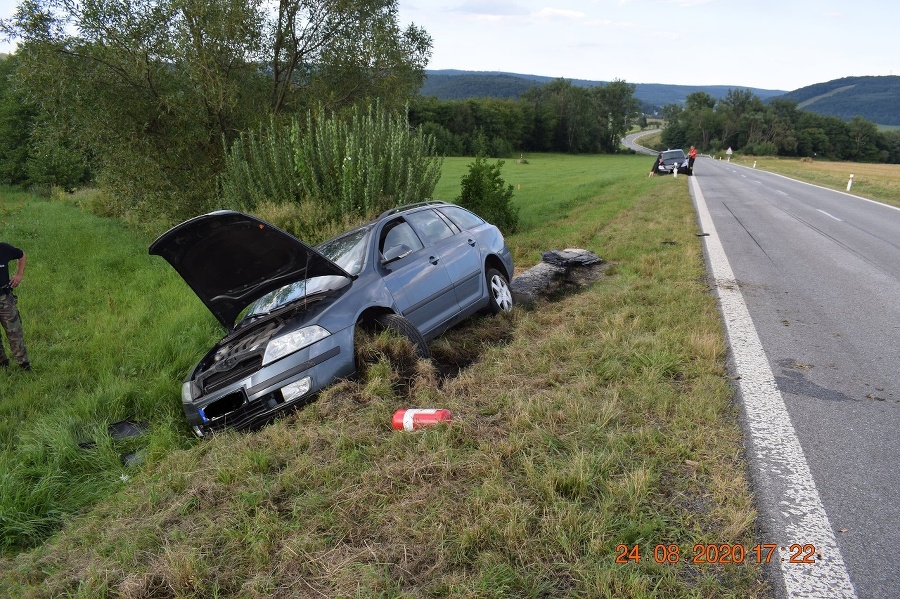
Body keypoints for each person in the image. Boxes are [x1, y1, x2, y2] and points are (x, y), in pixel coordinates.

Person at [0, 241, 31, 371]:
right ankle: (2, 363)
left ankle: (23, 364)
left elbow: (22, 255)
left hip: (4, 299)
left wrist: (19, 275)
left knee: (15, 332)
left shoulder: (3, 249)